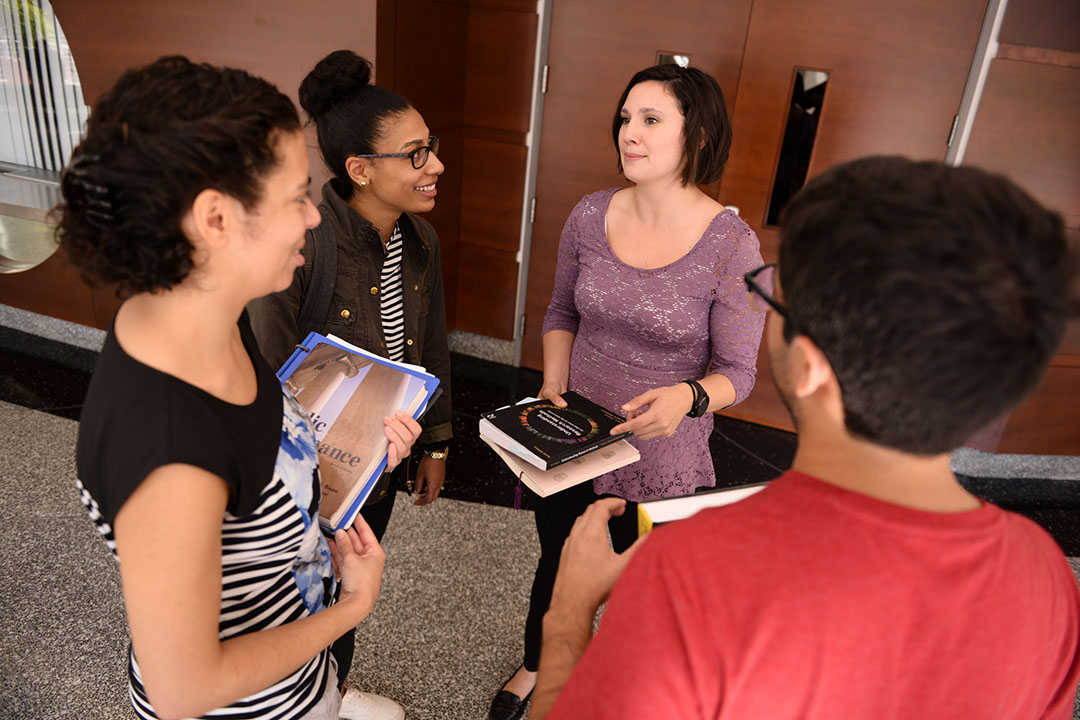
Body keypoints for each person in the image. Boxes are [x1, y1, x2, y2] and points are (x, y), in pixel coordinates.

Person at [531, 156, 1080, 719]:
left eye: (774, 293)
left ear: (812, 365)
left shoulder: (692, 571)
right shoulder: (1047, 579)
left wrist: (570, 617)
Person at [62, 56, 421, 720]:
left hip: (296, 656)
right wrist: (354, 608)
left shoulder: (201, 312)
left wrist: (359, 446)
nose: (313, 220)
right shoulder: (167, 447)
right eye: (295, 199)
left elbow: (258, 463)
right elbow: (185, 690)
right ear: (216, 220)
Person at [490, 63, 765, 720]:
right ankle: (537, 662)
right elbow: (559, 314)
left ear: (696, 137)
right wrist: (553, 381)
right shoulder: (590, 214)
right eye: (624, 118)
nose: (629, 133)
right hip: (574, 439)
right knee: (558, 560)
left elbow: (740, 373)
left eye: (650, 120)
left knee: (648, 590)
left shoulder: (732, 245)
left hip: (663, 459)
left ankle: (629, 687)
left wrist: (688, 398)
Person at [247, 49, 451, 720]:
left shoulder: (421, 241)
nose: (435, 167)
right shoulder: (304, 244)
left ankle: (330, 700)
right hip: (304, 473)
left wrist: (437, 443)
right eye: (416, 155)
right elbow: (270, 374)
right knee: (295, 596)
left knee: (351, 587)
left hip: (381, 465)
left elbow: (430, 343)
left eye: (432, 149)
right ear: (361, 170)